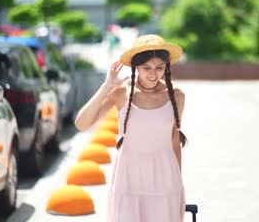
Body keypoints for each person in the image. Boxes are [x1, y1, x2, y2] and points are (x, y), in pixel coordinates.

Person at [75, 34, 187, 222]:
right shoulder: (121, 93)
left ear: (166, 67)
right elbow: (81, 124)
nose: (153, 74)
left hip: (165, 180)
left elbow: (174, 140)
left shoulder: (176, 96)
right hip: (128, 180)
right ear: (135, 67)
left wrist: (177, 185)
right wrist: (106, 87)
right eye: (146, 68)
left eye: (159, 67)